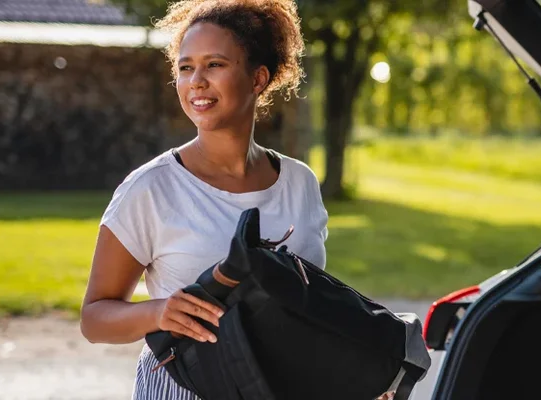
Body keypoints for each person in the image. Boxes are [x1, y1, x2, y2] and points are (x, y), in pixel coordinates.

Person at [78, 1, 391, 399]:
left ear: (258, 78)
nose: (196, 81)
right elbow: (94, 318)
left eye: (215, 64)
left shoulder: (300, 183)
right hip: (185, 388)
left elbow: (308, 310)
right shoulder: (151, 189)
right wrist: (158, 313)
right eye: (185, 67)